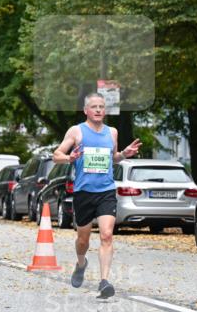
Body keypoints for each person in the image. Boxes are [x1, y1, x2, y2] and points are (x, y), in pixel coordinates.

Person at [52, 92, 141, 298]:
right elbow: (56, 155)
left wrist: (123, 154)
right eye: (94, 107)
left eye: (101, 107)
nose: (99, 110)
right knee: (83, 240)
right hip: (83, 192)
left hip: (106, 191)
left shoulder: (112, 132)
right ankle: (81, 263)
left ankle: (104, 282)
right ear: (86, 110)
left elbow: (113, 157)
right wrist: (69, 158)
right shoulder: (76, 131)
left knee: (106, 235)